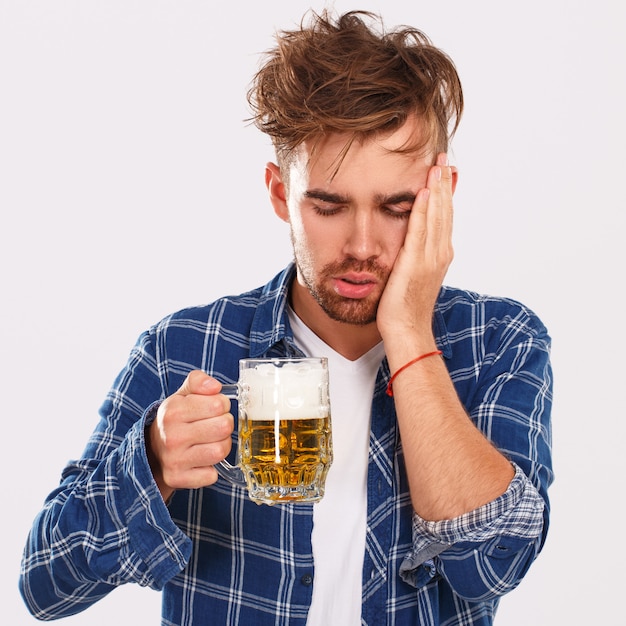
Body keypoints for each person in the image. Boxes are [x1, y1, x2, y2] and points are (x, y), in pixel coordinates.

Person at [19, 9, 553, 626]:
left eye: (396, 207)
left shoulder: (498, 342)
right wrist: (154, 460)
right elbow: (45, 585)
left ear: (442, 197)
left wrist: (407, 331)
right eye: (329, 205)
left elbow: (491, 565)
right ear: (280, 194)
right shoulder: (184, 348)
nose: (362, 244)